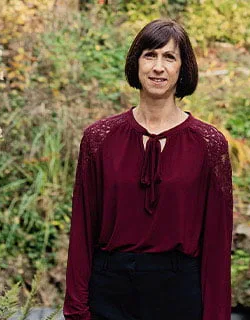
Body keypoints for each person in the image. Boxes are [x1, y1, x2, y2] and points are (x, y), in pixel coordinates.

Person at [63, 18, 233, 320]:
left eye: (169, 57)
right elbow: (82, 230)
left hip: (179, 295)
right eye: (150, 55)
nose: (158, 67)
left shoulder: (209, 144)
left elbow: (217, 244)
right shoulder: (99, 138)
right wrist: (77, 310)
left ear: (183, 69)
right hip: (109, 294)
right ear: (136, 63)